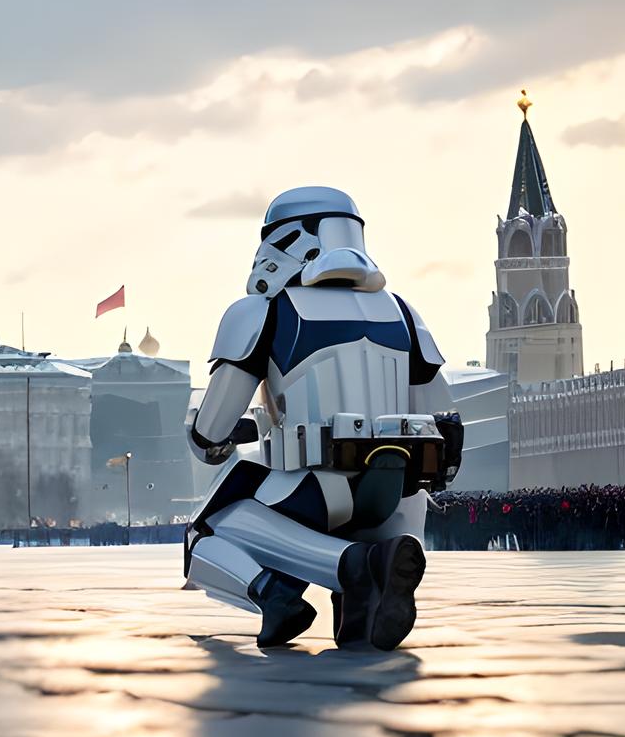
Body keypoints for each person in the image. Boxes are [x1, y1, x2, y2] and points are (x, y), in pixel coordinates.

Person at [181, 186, 460, 651]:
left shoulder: (264, 311)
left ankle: (302, 586)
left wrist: (212, 436)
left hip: (317, 486)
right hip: (402, 498)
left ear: (289, 239)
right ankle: (370, 586)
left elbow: (211, 431)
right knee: (365, 620)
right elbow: (444, 419)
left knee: (205, 532)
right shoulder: (405, 314)